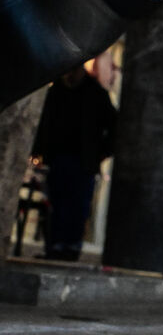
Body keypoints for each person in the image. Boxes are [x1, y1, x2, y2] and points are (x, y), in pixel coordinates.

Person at [31, 65, 117, 261]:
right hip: (58, 158)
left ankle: (69, 247)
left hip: (82, 161)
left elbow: (113, 126)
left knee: (76, 206)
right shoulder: (56, 93)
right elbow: (44, 124)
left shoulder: (95, 94)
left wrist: (101, 152)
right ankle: (55, 246)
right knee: (56, 204)